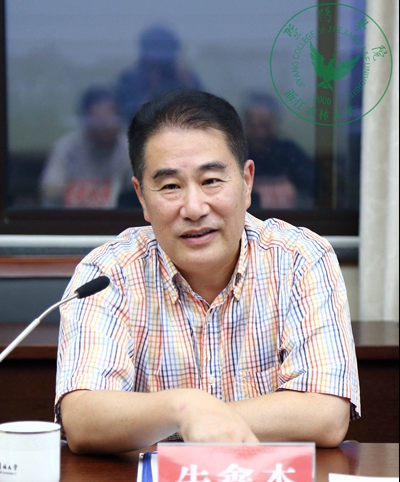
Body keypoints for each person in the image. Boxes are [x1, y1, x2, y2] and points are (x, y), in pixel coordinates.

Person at [55, 89, 360, 455]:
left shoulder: (300, 259)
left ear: (247, 181)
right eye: (170, 186)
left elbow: (326, 413)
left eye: (211, 181)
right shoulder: (108, 273)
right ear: (142, 197)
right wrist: (183, 408)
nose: (194, 208)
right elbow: (83, 419)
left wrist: (196, 419)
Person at [40, 86, 132, 208]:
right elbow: (49, 189)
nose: (105, 127)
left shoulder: (128, 148)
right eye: (100, 121)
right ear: (86, 121)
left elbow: (140, 190)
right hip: (72, 216)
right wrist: (92, 192)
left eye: (110, 120)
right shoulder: (67, 147)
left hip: (117, 217)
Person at [115, 24, 203, 125]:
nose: (161, 66)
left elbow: (204, 110)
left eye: (166, 62)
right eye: (154, 62)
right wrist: (150, 89)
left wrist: (189, 85)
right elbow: (126, 117)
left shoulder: (182, 77)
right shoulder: (129, 79)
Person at [243, 92, 316, 209]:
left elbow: (310, 190)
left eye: (264, 125)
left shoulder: (290, 153)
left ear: (273, 124)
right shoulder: (239, 152)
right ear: (246, 124)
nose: (260, 133)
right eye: (254, 125)